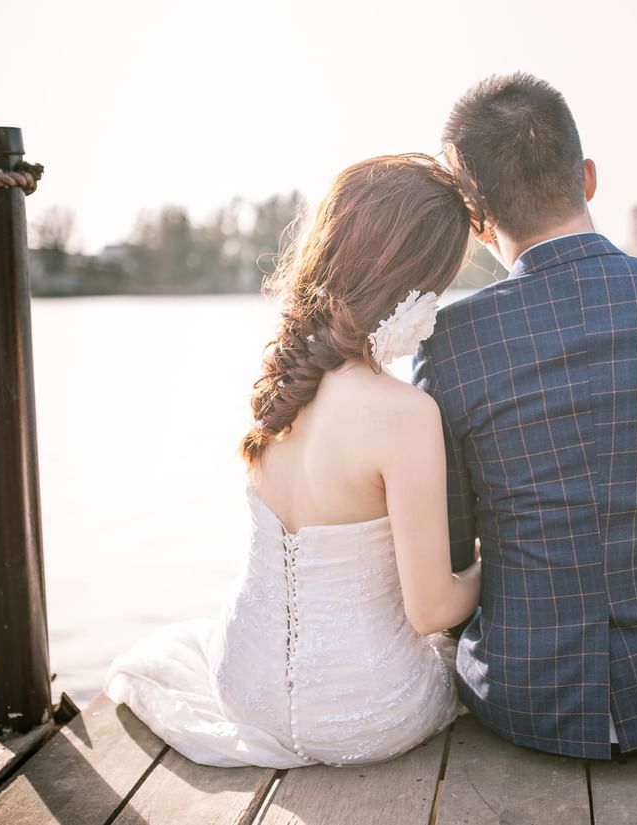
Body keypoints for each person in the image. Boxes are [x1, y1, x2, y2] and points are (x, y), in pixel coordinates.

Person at [413, 73, 637, 760]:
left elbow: (455, 547)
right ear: (586, 176)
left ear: (478, 219)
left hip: (526, 702)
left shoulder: (451, 343)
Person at [105, 154, 482, 768]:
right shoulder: (405, 414)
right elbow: (431, 610)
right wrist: (490, 566)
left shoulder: (282, 391)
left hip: (243, 688)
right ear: (418, 285)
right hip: (370, 708)